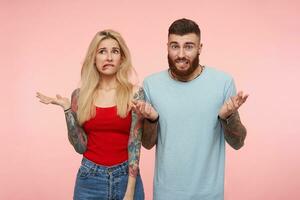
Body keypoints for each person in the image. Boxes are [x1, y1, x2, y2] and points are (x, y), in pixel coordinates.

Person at [133, 18, 248, 200]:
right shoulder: (151, 84)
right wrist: (152, 119)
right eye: (174, 46)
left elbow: (238, 142)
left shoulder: (223, 82)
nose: (180, 54)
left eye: (188, 46)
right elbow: (147, 144)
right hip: (165, 194)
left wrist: (228, 116)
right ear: (167, 46)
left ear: (200, 48)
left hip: (209, 195)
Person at [36, 30, 145, 200]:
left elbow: (135, 143)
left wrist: (130, 190)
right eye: (102, 51)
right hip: (90, 179)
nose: (108, 57)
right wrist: (67, 110)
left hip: (126, 177)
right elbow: (80, 147)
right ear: (94, 58)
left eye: (114, 51)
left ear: (122, 58)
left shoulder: (134, 93)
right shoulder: (80, 96)